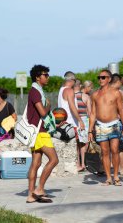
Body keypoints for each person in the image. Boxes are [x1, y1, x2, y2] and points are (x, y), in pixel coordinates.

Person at [88, 69, 123, 186]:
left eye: (103, 77)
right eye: (99, 77)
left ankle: (116, 176)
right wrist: (90, 130)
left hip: (114, 123)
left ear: (109, 79)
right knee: (105, 152)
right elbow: (93, 113)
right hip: (100, 125)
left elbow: (121, 110)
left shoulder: (116, 93)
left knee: (115, 150)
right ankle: (108, 177)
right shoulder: (95, 94)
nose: (100, 79)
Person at [26, 64, 59, 204]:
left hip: (36, 132)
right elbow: (43, 112)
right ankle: (39, 189)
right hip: (40, 133)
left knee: (36, 163)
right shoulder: (35, 92)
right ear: (37, 77)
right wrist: (49, 106)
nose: (48, 77)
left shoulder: (37, 91)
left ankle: (30, 195)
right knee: (54, 160)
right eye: (45, 75)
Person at [58, 71, 85, 171]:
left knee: (74, 144)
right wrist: (80, 120)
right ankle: (76, 165)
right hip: (71, 122)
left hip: (64, 122)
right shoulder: (69, 90)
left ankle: (77, 164)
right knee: (75, 144)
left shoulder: (61, 90)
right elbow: (72, 107)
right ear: (72, 80)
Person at [74, 79, 91, 172]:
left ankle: (77, 163)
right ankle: (84, 164)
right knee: (84, 143)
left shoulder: (72, 96)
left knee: (77, 143)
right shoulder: (85, 96)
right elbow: (90, 112)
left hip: (74, 121)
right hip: (84, 120)